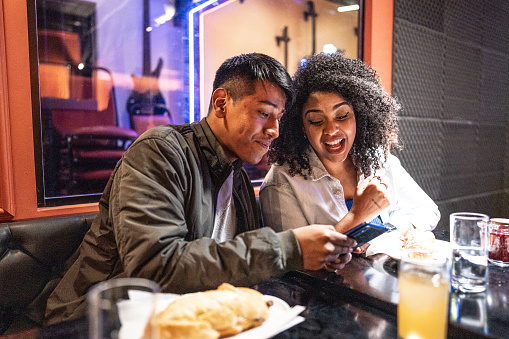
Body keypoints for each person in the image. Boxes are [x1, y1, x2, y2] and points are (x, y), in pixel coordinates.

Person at [44, 53, 357, 325]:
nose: (274, 130)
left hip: (183, 321)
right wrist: (287, 248)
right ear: (221, 103)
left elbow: (243, 272)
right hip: (94, 322)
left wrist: (312, 256)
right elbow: (156, 268)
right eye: (263, 113)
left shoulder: (240, 183)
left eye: (279, 118)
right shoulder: (160, 151)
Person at [260, 52, 440, 246]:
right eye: (316, 121)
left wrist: (390, 235)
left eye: (342, 116)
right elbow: (295, 261)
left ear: (358, 116)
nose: (330, 130)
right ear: (301, 126)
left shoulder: (377, 159)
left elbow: (427, 210)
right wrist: (357, 216)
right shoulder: (282, 181)